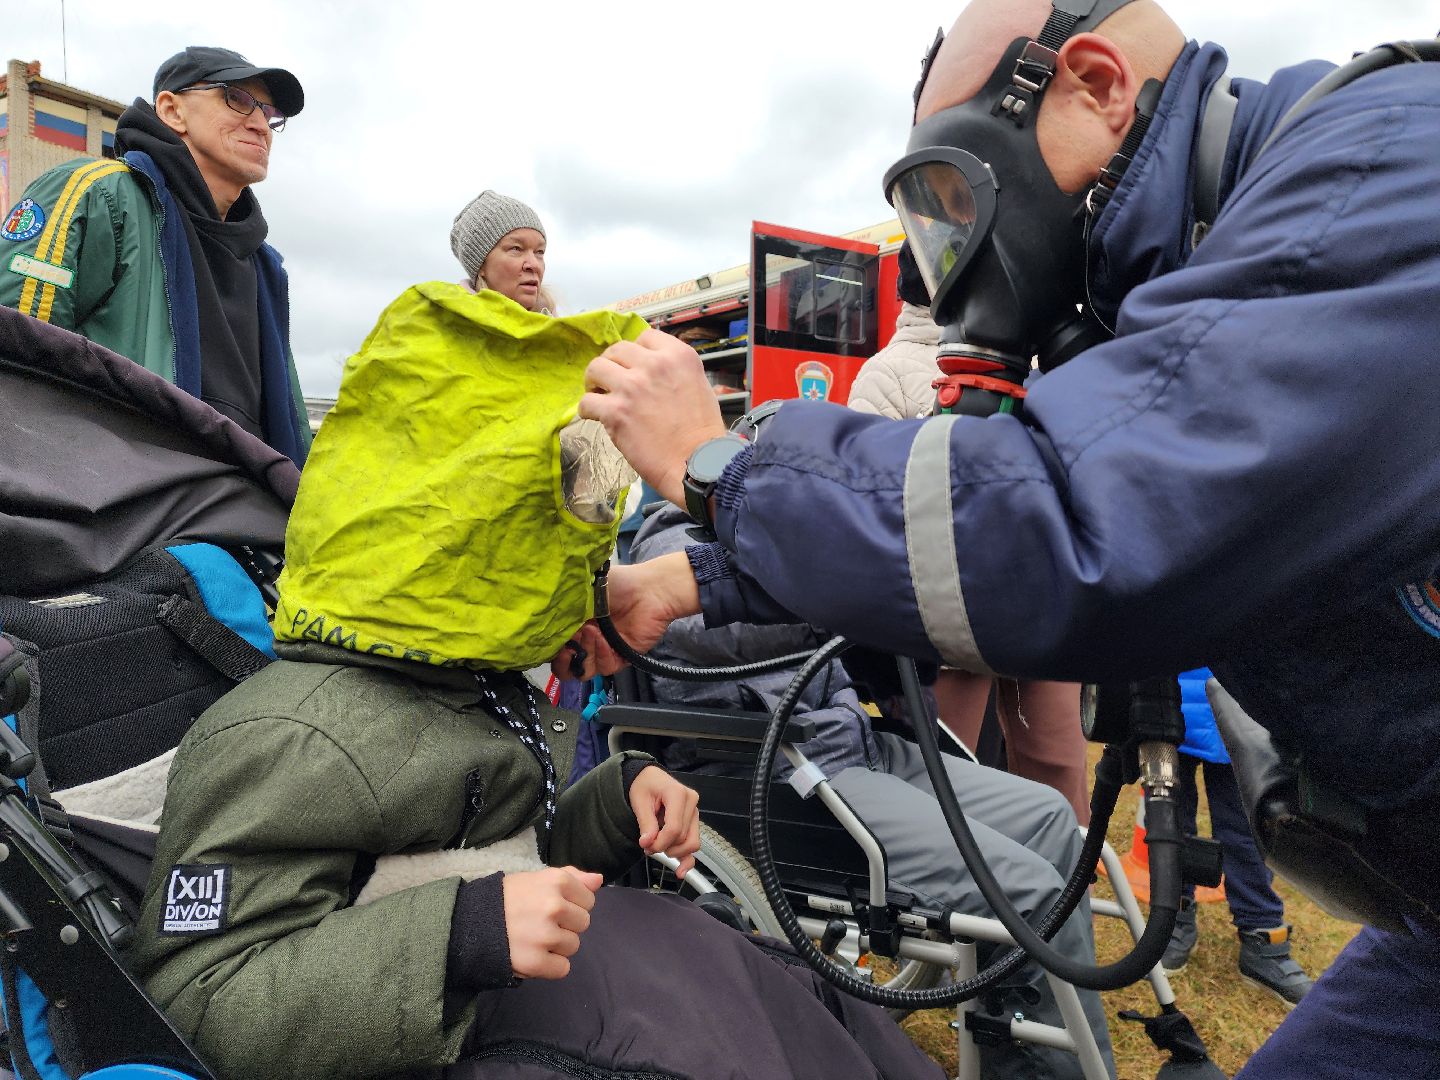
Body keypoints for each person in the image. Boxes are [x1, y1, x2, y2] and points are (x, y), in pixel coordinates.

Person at [572, 2, 1440, 1077]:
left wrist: (720, 466)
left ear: (1097, 84)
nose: (955, 260)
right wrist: (696, 580)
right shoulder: (1248, 235)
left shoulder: (1382, 177)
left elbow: (1075, 520)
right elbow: (1002, 514)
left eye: (959, 192)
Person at [127, 224, 940, 1080]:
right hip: (531, 1036)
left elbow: (511, 855)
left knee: (799, 1007)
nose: (589, 568)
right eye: (555, 535)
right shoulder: (290, 736)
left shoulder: (469, 680)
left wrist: (614, 804)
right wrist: (460, 935)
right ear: (476, 535)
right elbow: (196, 993)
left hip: (614, 1001)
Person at [631, 503, 1116, 1080]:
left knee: (1053, 818)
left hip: (855, 746)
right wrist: (853, 589)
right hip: (783, 777)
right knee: (1027, 891)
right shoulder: (666, 542)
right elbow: (719, 627)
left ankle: (1028, 1042)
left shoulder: (783, 530)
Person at [0, 47, 311, 466]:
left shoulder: (266, 267)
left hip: (246, 497)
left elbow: (289, 421)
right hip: (120, 494)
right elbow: (16, 361)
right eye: (237, 98)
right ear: (172, 110)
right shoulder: (98, 195)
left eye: (270, 114)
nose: (260, 124)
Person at [850, 294, 1093, 823]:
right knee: (957, 777)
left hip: (1018, 604)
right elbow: (873, 506)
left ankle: (1059, 866)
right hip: (964, 613)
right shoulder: (892, 372)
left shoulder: (1035, 356)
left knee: (1043, 773)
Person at [1162, 667, 1314, 1008]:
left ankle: (1262, 938)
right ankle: (1172, 918)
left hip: (1238, 696)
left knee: (1246, 829)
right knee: (1169, 823)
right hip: (1165, 693)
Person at [451, 188, 557, 313]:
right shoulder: (451, 323)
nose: (534, 265)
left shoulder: (561, 325)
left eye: (539, 252)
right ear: (481, 265)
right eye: (516, 248)